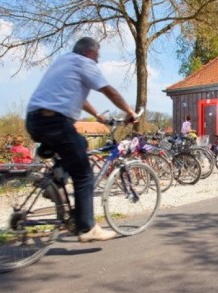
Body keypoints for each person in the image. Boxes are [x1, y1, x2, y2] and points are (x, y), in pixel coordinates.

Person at [26, 37, 139, 243]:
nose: (97, 60)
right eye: (97, 55)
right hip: (55, 122)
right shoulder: (84, 63)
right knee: (85, 173)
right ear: (89, 52)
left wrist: (97, 116)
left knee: (81, 144)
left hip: (35, 119)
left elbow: (80, 97)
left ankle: (55, 180)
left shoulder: (64, 61)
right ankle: (87, 227)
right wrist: (130, 111)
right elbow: (109, 90)